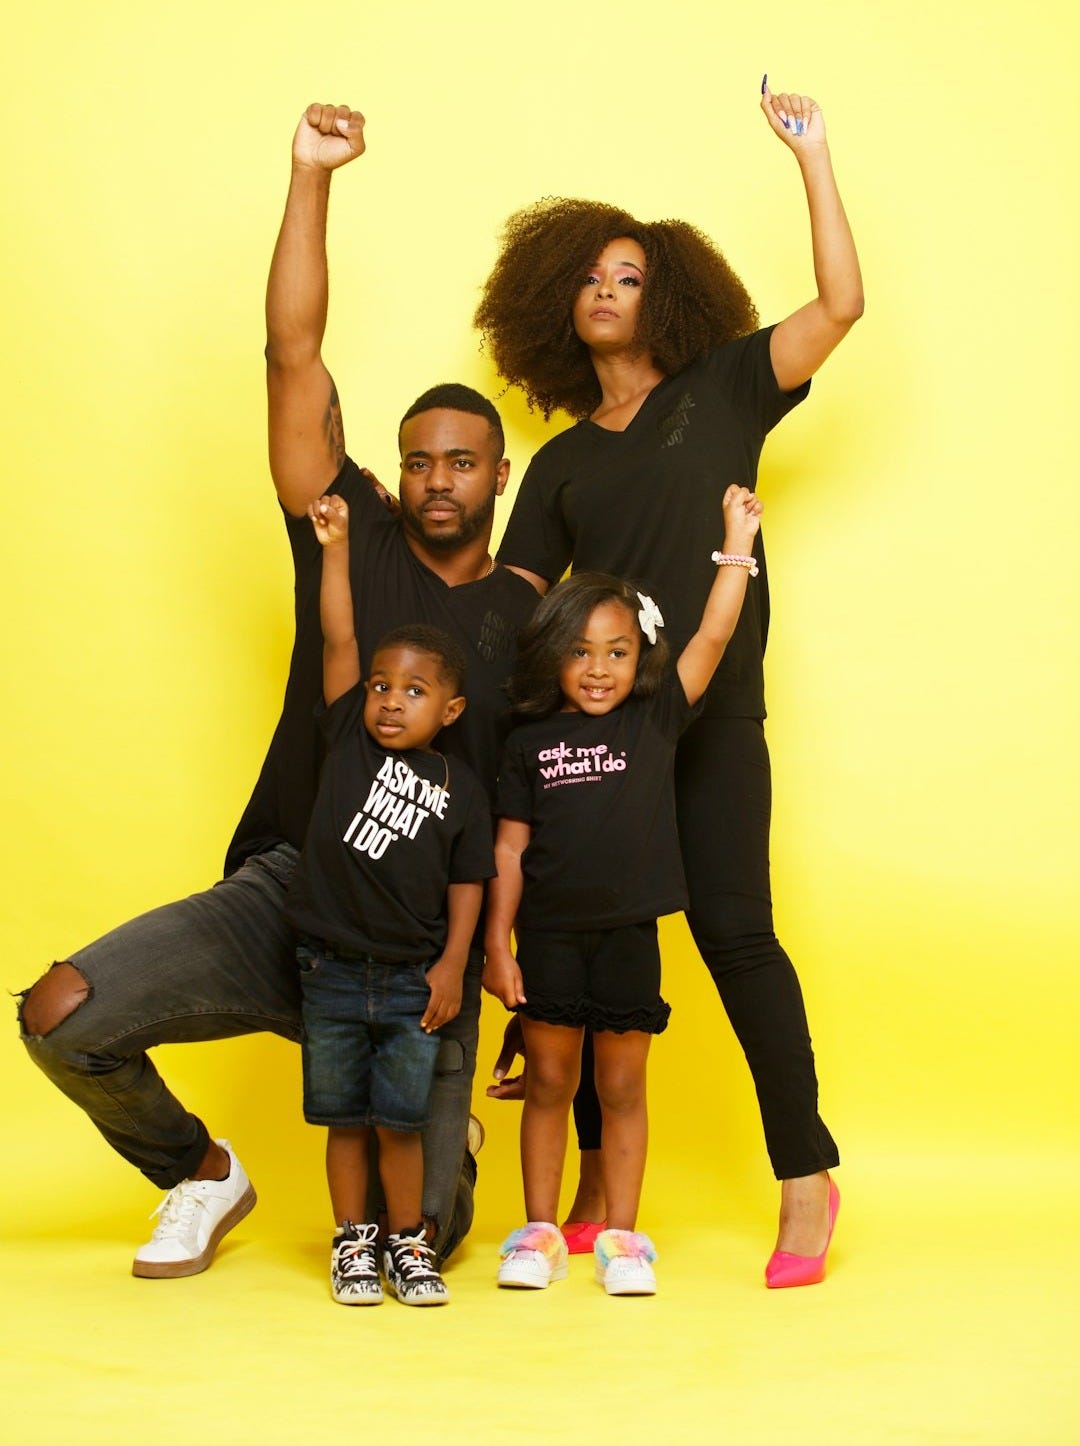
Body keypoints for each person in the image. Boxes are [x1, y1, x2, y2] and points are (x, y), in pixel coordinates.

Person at [17, 101, 536, 1278]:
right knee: (60, 1016)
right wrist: (311, 175)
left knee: (425, 1236)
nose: (437, 480)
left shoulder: (526, 613)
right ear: (394, 471)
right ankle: (200, 1174)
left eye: (462, 463)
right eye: (419, 460)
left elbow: (529, 809)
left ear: (500, 476)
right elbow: (293, 357)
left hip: (419, 944)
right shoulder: (353, 533)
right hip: (291, 894)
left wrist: (520, 978)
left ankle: (442, 1139)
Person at [475, 80, 861, 1287]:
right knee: (592, 934)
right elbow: (508, 608)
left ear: (666, 297)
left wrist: (812, 154)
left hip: (712, 710)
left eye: (630, 276)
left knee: (735, 933)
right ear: (557, 302)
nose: (606, 289)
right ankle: (598, 1183)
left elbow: (841, 306)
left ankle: (805, 1174)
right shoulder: (559, 463)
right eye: (589, 276)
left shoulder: (727, 388)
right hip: (602, 735)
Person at [485, 484, 765, 1296]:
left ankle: (622, 1240)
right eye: (580, 652)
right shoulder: (529, 740)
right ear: (553, 655)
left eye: (616, 651)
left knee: (620, 1088)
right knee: (549, 1083)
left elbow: (714, 633)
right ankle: (538, 1234)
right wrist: (498, 945)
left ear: (640, 656)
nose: (599, 669)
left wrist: (737, 544)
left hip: (629, 936)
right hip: (547, 938)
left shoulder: (655, 719)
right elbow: (509, 847)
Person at [291, 490, 495, 1304]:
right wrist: (336, 548)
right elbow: (339, 635)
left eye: (413, 691)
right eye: (382, 685)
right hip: (332, 970)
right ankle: (353, 1242)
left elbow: (469, 882)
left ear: (450, 710)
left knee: (400, 1122)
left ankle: (408, 1243)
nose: (388, 700)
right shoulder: (347, 734)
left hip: (414, 978)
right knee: (345, 1119)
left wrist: (452, 965)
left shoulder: (461, 787)